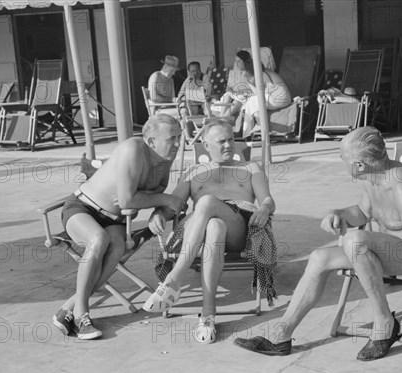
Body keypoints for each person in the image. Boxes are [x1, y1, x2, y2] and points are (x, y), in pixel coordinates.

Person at [235, 126, 402, 360]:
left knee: (354, 239)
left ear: (359, 165)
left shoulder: (401, 186)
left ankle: (385, 324)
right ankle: (281, 334)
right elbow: (362, 212)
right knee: (320, 257)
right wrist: (338, 212)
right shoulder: (372, 177)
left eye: (342, 157)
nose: (340, 160)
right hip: (398, 249)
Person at [52, 114, 187, 340]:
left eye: (179, 137)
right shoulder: (132, 149)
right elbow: (127, 201)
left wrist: (156, 211)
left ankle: (69, 308)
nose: (177, 144)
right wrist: (162, 200)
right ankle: (81, 314)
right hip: (83, 209)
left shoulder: (165, 157)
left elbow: (153, 195)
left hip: (115, 220)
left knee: (117, 249)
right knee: (98, 241)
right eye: (172, 138)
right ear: (151, 141)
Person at [143, 119, 277, 344]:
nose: (228, 145)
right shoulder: (194, 171)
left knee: (206, 202)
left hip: (240, 228)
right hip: (203, 230)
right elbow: (173, 204)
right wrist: (158, 214)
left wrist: (264, 208)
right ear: (205, 145)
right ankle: (208, 313)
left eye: (231, 139)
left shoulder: (251, 167)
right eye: (221, 141)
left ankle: (174, 278)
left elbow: (268, 200)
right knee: (215, 225)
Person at [241, 57, 292, 139]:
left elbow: (262, 93)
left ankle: (260, 126)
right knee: (251, 101)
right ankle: (253, 129)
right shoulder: (265, 72)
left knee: (252, 101)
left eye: (244, 69)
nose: (242, 71)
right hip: (279, 98)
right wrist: (248, 82)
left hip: (279, 99)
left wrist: (248, 82)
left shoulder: (263, 74)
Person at [177, 61, 212, 143]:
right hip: (191, 106)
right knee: (183, 111)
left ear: (200, 70)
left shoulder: (205, 78)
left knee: (208, 110)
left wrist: (192, 94)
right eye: (192, 71)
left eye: (197, 70)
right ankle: (188, 137)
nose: (195, 73)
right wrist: (187, 96)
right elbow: (180, 94)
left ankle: (207, 135)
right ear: (189, 72)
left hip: (203, 106)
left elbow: (208, 94)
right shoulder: (188, 80)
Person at [215, 50, 253, 118]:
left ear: (245, 61)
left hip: (246, 95)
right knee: (227, 95)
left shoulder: (251, 73)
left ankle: (223, 117)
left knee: (240, 98)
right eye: (235, 61)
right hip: (234, 93)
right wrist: (233, 92)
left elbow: (253, 88)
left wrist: (241, 92)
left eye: (239, 61)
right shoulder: (232, 73)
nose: (236, 63)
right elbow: (228, 88)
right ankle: (222, 116)